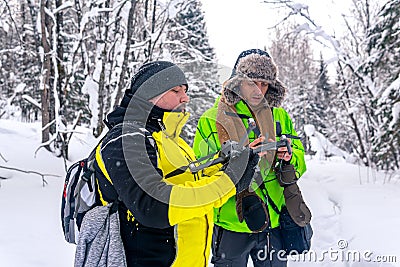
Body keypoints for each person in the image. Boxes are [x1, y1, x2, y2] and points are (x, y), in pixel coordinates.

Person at [92, 61, 259, 267]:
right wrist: (228, 181)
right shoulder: (126, 139)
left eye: (186, 90)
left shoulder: (172, 141)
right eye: (175, 90)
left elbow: (186, 182)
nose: (185, 97)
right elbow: (153, 205)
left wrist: (226, 165)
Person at [193, 49, 308, 266]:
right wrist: (241, 159)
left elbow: (301, 161)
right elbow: (203, 171)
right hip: (231, 223)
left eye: (265, 84)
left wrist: (289, 158)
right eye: (252, 83)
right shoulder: (211, 119)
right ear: (238, 82)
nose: (259, 90)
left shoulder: (280, 116)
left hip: (273, 222)